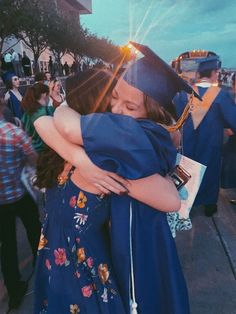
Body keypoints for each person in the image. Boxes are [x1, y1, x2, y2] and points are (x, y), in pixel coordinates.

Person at [33, 43, 196, 313]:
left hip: (83, 263)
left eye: (130, 106)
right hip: (92, 263)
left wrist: (63, 110)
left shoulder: (130, 140)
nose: (116, 110)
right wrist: (82, 160)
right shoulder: (113, 141)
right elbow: (44, 124)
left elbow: (169, 199)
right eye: (114, 97)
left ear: (151, 113)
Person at [174, 56, 236, 217]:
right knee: (210, 169)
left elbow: (176, 115)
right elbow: (232, 118)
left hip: (188, 140)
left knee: (188, 169)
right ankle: (209, 204)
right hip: (210, 142)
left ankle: (188, 203)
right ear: (214, 73)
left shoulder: (184, 93)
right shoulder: (220, 95)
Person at [0, 97, 41, 310]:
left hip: (1, 203)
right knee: (35, 231)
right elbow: (33, 158)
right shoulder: (14, 133)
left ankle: (14, 289)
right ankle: (43, 271)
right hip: (20, 193)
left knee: (6, 245)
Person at [21, 83, 54, 152]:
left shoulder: (28, 112)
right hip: (45, 149)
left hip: (32, 148)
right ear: (44, 95)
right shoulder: (47, 111)